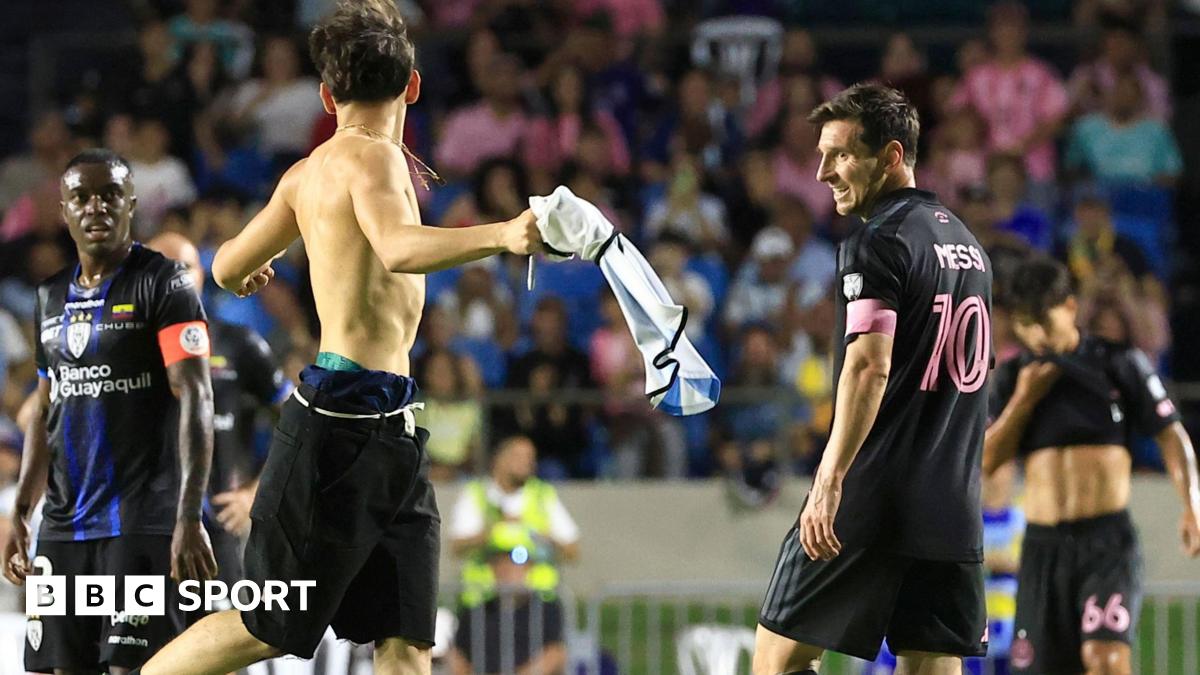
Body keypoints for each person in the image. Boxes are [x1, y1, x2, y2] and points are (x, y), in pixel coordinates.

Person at [135, 2, 543, 673]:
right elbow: (398, 246)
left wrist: (246, 275)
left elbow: (227, 263)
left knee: (406, 639)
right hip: (341, 420)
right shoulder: (377, 160)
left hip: (394, 427)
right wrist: (503, 234)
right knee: (266, 623)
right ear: (413, 86)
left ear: (327, 94)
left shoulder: (305, 174)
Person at [754, 83, 993, 674]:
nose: (822, 173)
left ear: (890, 156)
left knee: (777, 661)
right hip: (952, 503)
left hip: (873, 493)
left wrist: (830, 479)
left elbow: (868, 363)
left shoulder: (877, 240)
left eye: (839, 155)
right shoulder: (968, 246)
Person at [1, 149, 218, 673]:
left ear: (131, 205)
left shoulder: (164, 282)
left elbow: (196, 396)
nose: (96, 206)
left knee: (130, 667)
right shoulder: (49, 296)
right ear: (64, 210)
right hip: (63, 525)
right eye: (82, 197)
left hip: (139, 523)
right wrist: (22, 511)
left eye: (109, 195)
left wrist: (187, 516)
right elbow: (46, 407)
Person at [983, 257, 1200, 675]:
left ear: (1068, 307)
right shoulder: (1013, 378)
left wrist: (1191, 503)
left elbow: (1171, 434)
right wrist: (1024, 401)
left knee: (1105, 662)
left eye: (1043, 321)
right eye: (1025, 324)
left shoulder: (1117, 363)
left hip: (1106, 543)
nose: (1036, 335)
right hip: (1042, 548)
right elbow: (989, 460)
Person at [146, 232, 292, 597]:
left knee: (218, 644)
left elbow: (299, 419)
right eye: (161, 268)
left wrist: (259, 492)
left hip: (218, 527)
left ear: (201, 275)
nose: (175, 277)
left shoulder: (238, 343)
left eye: (185, 267)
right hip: (141, 528)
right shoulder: (121, 347)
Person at [449, 436, 580, 609]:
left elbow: (573, 550)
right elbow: (457, 547)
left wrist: (546, 536)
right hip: (484, 603)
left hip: (538, 603)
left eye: (531, 458)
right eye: (519, 456)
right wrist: (492, 531)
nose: (527, 463)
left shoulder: (542, 495)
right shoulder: (477, 494)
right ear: (499, 460)